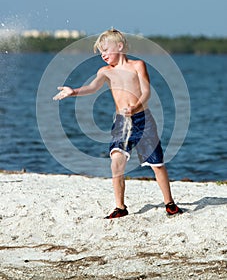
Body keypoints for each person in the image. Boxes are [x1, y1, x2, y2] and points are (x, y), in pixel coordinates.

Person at [53, 29, 183, 219]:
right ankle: (120, 207)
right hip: (122, 123)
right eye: (100, 52)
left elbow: (146, 91)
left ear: (120, 47)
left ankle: (169, 203)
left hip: (143, 120)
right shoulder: (105, 71)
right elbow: (92, 87)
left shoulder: (137, 65)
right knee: (116, 162)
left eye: (106, 50)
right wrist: (73, 91)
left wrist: (137, 105)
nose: (103, 55)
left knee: (157, 165)